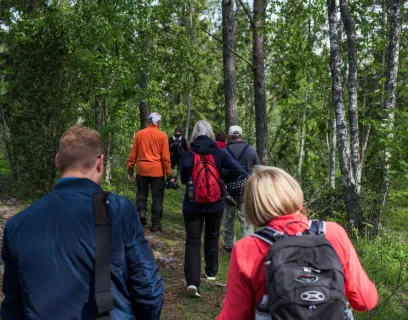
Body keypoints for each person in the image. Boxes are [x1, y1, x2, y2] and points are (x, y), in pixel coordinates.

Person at [1, 126, 164, 320]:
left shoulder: (17, 226)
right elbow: (149, 290)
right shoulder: (119, 211)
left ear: (57, 162)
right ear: (100, 162)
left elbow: (12, 307)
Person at [217, 166, 378, 320]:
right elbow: (365, 301)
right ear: (295, 194)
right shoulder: (333, 234)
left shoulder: (246, 248)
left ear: (253, 207)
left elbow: (234, 316)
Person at [179, 120, 247, 298]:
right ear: (209, 133)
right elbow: (240, 170)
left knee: (193, 241)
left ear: (194, 133)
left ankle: (193, 282)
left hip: (192, 204)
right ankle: (211, 272)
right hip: (215, 204)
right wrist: (221, 177)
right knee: (212, 235)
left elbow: (183, 179)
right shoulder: (219, 152)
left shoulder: (189, 153)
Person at [128, 112, 172, 232]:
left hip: (142, 170)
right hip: (157, 172)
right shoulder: (162, 136)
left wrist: (130, 168)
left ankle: (142, 212)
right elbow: (165, 157)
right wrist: (169, 173)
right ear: (157, 122)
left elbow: (133, 153)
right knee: (157, 197)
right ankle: (155, 223)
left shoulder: (139, 134)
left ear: (149, 121)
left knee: (141, 193)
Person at [222, 125, 260, 253]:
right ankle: (246, 249)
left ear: (230, 136)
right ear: (241, 136)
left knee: (228, 219)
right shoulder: (251, 150)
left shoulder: (224, 151)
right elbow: (257, 171)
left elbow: (220, 171)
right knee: (246, 221)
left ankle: (229, 246)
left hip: (228, 191)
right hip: (246, 190)